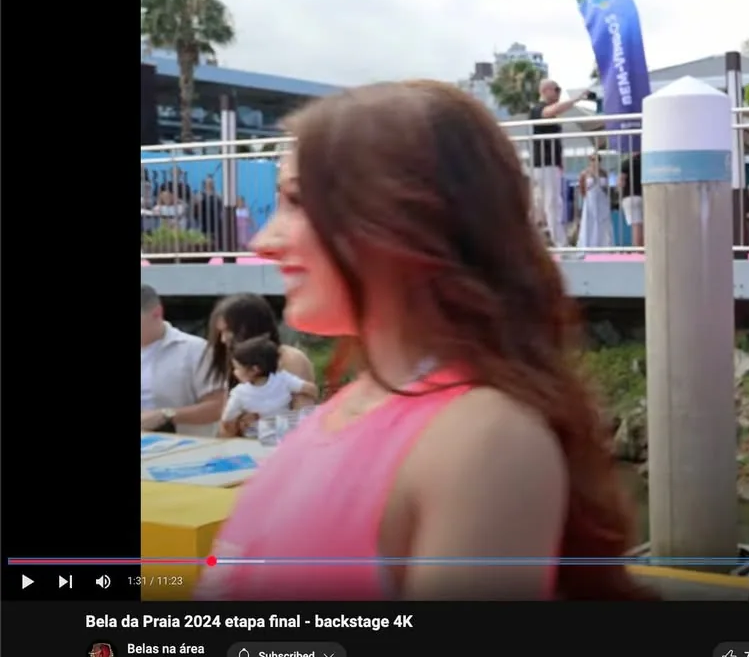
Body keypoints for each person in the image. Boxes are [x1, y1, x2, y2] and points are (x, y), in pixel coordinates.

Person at [197, 80, 646, 601]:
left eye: (297, 201)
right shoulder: (357, 407)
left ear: (404, 218)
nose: (263, 241)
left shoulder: (480, 441)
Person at [140, 284, 222, 436]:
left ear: (157, 313)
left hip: (182, 449)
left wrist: (166, 415)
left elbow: (218, 406)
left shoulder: (195, 350)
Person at [204, 294, 316, 391]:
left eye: (229, 331)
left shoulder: (289, 359)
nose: (224, 339)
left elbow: (301, 409)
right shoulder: (238, 364)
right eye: (221, 332)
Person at [219, 338, 319, 438]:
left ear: (254, 369)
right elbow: (309, 388)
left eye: (237, 368)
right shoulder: (283, 378)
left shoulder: (239, 393)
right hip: (284, 433)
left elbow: (227, 419)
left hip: (256, 438)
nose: (235, 372)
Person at [530, 78, 584, 249]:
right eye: (556, 89)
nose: (559, 93)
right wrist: (575, 99)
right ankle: (560, 244)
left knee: (547, 203)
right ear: (545, 91)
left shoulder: (547, 111)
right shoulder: (538, 109)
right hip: (545, 164)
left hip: (550, 164)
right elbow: (549, 111)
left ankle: (550, 241)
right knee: (552, 203)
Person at [576, 154, 614, 249]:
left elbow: (608, 188)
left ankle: (604, 244)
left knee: (603, 222)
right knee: (589, 221)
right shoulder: (584, 173)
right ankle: (588, 244)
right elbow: (581, 187)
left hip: (602, 200)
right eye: (592, 160)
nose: (595, 162)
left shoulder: (604, 173)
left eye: (597, 160)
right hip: (590, 200)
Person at [617, 153, 643, 247]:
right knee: (643, 225)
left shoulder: (626, 163)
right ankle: (644, 249)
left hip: (630, 196)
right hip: (643, 196)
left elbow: (621, 181)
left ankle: (638, 250)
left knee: (636, 225)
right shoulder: (645, 162)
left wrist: (619, 196)